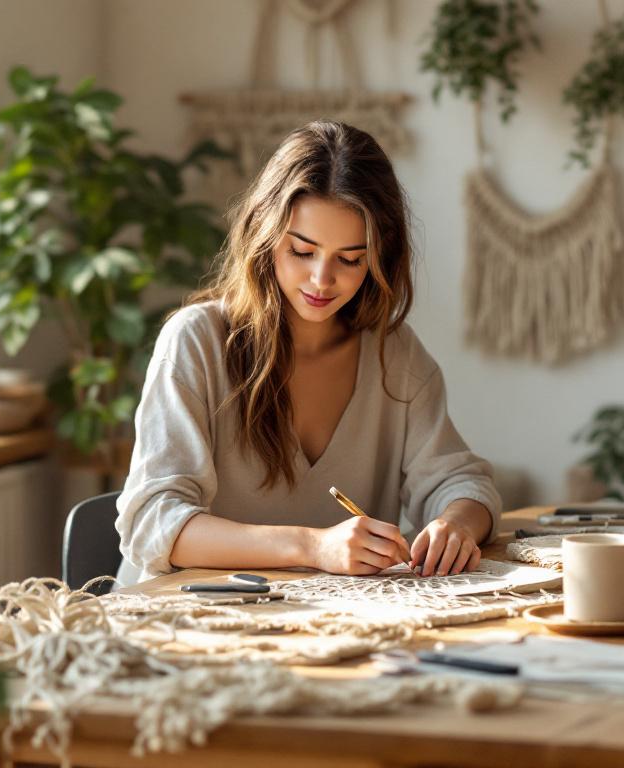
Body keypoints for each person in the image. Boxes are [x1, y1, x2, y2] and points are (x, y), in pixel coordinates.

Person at [115, 120, 500, 586]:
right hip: (181, 622)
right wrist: (313, 547)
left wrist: (455, 524)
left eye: (350, 258)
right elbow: (153, 523)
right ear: (265, 235)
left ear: (379, 259)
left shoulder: (393, 356)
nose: (322, 279)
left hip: (318, 627)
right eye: (302, 251)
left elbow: (462, 483)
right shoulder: (195, 341)